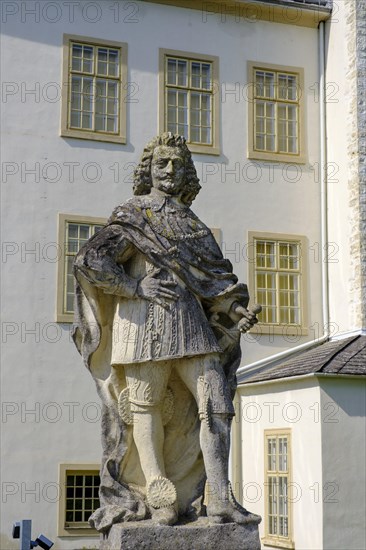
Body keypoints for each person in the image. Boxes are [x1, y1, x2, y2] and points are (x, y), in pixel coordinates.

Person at [73, 133, 261, 530]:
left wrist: (236, 309)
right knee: (144, 409)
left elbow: (213, 281)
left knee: (217, 404)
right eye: (162, 163)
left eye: (177, 163)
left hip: (192, 325)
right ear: (149, 170)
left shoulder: (193, 222)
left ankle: (222, 497)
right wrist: (133, 287)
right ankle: (158, 494)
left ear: (187, 172)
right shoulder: (133, 214)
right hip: (143, 324)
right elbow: (91, 259)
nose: (170, 170)